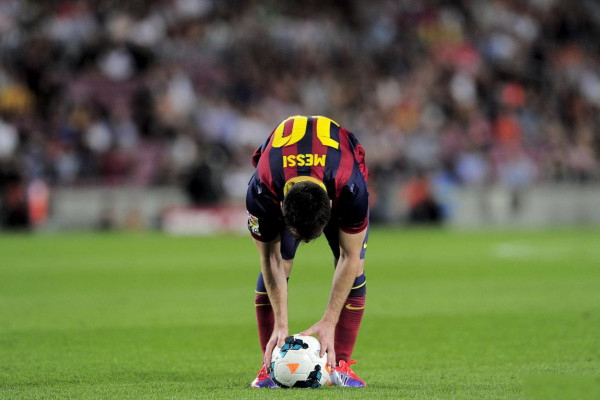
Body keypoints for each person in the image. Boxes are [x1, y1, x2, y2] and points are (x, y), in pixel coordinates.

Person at [246, 115, 370, 388]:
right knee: (281, 260)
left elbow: (349, 258)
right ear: (280, 209)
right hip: (282, 172)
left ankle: (340, 366)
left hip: (335, 169)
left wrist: (329, 320)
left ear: (330, 205)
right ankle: (268, 366)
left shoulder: (351, 187)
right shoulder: (262, 189)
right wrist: (281, 323)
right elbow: (270, 258)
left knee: (354, 265)